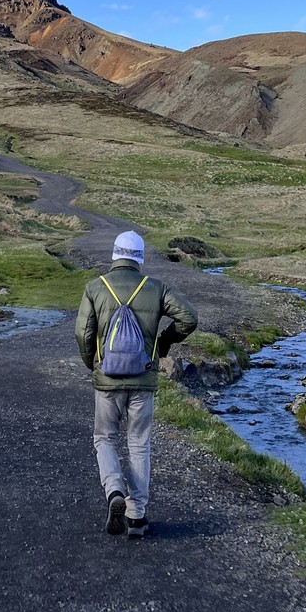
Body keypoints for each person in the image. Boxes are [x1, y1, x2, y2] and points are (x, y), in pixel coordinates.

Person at [75, 230, 197, 538]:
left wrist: (95, 366)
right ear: (140, 257)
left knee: (104, 438)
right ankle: (137, 516)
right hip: (143, 380)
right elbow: (189, 319)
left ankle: (114, 489)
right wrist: (164, 342)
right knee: (139, 444)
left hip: (107, 380)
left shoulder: (95, 288)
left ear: (115, 254)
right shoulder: (155, 288)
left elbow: (83, 334)